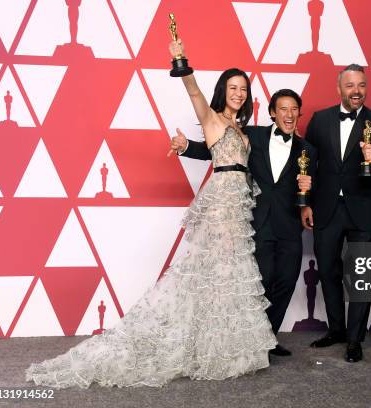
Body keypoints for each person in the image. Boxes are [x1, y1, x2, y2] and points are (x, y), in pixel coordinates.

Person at [25, 39, 277, 388]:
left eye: (243, 89)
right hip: (220, 203)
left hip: (240, 206)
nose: (238, 93)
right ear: (223, 91)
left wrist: (189, 147)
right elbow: (193, 94)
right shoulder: (212, 118)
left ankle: (227, 347)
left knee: (231, 272)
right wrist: (180, 59)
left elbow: (215, 153)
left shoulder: (242, 129)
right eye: (232, 88)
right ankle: (209, 348)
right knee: (216, 269)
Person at [171, 89, 316, 356]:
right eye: (283, 109)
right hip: (257, 221)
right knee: (262, 281)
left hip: (289, 225)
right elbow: (219, 149)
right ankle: (256, 341)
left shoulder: (308, 151)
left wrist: (310, 191)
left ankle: (268, 339)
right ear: (273, 113)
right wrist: (188, 147)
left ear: (299, 113)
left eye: (294, 109)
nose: (289, 114)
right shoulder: (254, 136)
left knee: (286, 280)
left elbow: (309, 188)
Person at [301, 64, 371, 362]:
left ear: (367, 87)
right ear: (339, 88)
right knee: (328, 272)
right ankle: (337, 329)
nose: (356, 91)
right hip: (326, 209)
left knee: (361, 276)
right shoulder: (320, 120)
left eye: (362, 85)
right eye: (350, 85)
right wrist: (307, 203)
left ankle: (355, 340)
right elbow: (308, 164)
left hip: (362, 210)